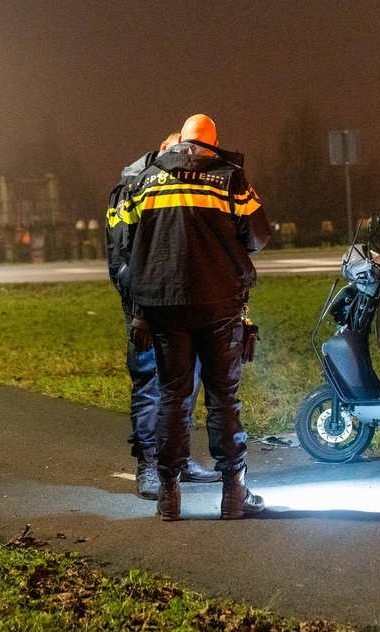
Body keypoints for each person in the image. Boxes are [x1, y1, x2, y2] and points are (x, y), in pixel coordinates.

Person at [120, 114, 270, 521]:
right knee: (224, 399)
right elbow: (257, 236)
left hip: (164, 307)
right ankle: (233, 495)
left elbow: (129, 239)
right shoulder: (229, 177)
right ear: (214, 142)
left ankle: (169, 497)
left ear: (181, 140)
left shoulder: (145, 179)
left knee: (173, 397)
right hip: (220, 305)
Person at [105, 132, 221, 500]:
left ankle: (177, 458)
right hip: (146, 305)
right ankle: (149, 463)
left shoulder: (172, 183)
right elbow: (124, 254)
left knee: (185, 385)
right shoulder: (132, 188)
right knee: (151, 382)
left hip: (179, 303)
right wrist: (142, 303)